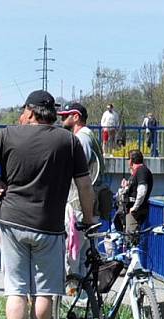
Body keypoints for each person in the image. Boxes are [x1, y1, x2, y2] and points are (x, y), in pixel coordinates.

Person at [0, 90, 96, 319]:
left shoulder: (10, 134)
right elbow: (85, 185)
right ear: (50, 113)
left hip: (12, 222)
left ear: (29, 110)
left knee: (16, 290)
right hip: (48, 227)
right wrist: (89, 218)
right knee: (45, 292)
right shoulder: (68, 141)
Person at [59, 101, 106, 276]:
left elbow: (76, 169)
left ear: (76, 117)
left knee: (73, 252)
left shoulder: (82, 139)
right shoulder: (91, 137)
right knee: (84, 252)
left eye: (65, 116)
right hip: (89, 204)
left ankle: (74, 293)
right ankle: (83, 294)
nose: (62, 119)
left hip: (79, 205)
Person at [117, 149, 153, 239]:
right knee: (126, 237)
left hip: (134, 212)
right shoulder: (136, 172)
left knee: (131, 239)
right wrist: (126, 185)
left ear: (131, 160)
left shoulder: (142, 170)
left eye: (129, 159)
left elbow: (142, 190)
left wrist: (134, 208)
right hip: (129, 210)